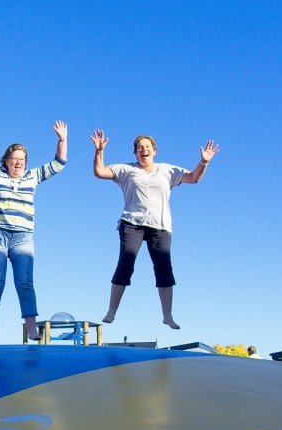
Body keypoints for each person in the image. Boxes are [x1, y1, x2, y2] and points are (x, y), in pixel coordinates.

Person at [90, 130, 219, 329]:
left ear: (154, 151)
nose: (143, 150)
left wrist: (204, 162)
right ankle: (111, 311)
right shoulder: (127, 170)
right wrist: (99, 151)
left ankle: (167, 315)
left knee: (164, 268)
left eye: (147, 147)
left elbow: (193, 178)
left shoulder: (167, 170)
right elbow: (100, 172)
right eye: (139, 148)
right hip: (132, 223)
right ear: (135, 153)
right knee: (126, 264)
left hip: (160, 226)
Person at [0, 109, 68, 341]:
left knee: (25, 283)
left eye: (22, 159)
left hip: (23, 237)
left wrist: (62, 139)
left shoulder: (33, 176)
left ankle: (31, 329)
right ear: (6, 161)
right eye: (15, 159)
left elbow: (59, 163)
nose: (19, 163)